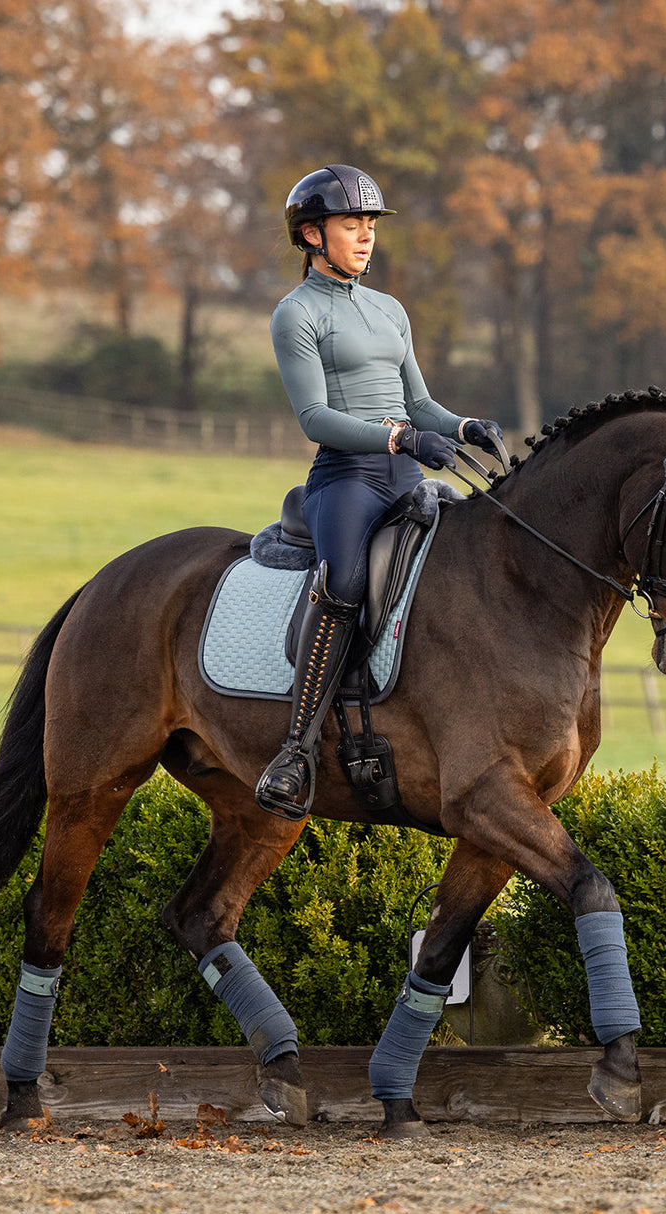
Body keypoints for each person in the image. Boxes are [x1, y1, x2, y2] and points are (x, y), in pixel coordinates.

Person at [255, 164, 501, 820]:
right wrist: (399, 439)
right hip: (347, 480)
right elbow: (315, 418)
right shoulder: (296, 313)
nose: (366, 236)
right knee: (343, 582)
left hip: (406, 476)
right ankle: (297, 750)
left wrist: (464, 427)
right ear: (313, 234)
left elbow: (419, 404)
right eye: (351, 224)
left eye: (370, 224)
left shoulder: (390, 309)